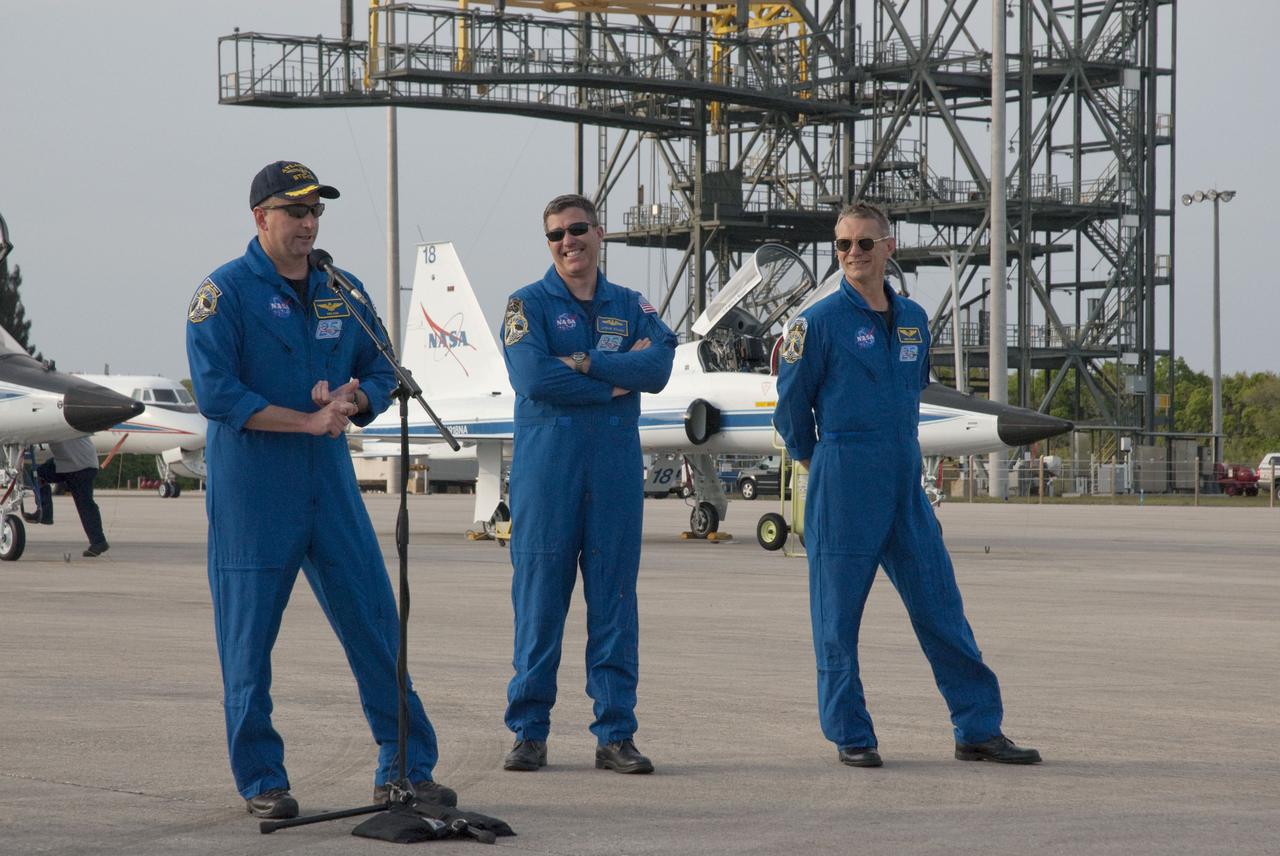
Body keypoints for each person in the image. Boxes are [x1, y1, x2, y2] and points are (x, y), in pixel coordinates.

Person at [186, 160, 455, 820]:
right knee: (247, 645)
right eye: (295, 211)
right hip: (256, 491)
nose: (308, 223)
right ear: (261, 218)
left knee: (376, 628)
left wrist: (355, 396)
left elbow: (385, 369)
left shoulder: (344, 289)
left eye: (316, 212)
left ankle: (406, 767)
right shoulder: (224, 294)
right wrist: (306, 418)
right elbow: (218, 394)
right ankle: (262, 780)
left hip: (329, 487)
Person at [774, 201, 1041, 768]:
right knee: (837, 618)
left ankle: (977, 728)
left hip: (903, 477)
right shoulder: (816, 324)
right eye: (843, 245)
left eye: (864, 243)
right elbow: (792, 413)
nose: (852, 254)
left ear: (888, 247)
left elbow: (913, 388)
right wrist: (819, 463)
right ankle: (852, 733)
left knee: (941, 606)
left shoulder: (916, 318)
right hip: (843, 477)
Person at [499, 193, 677, 775]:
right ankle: (529, 732)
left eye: (578, 230)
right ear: (547, 243)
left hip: (614, 475)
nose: (568, 242)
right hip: (547, 475)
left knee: (615, 605)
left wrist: (579, 364)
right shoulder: (527, 303)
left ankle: (615, 734)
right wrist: (611, 381)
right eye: (556, 235)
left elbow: (658, 367)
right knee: (539, 606)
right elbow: (531, 375)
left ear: (600, 234)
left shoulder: (630, 304)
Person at [32, 435, 109, 557]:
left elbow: (36, 435)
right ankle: (45, 513)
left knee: (85, 505)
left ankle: (99, 542)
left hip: (80, 465)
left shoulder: (52, 422)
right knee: (38, 475)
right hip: (71, 462)